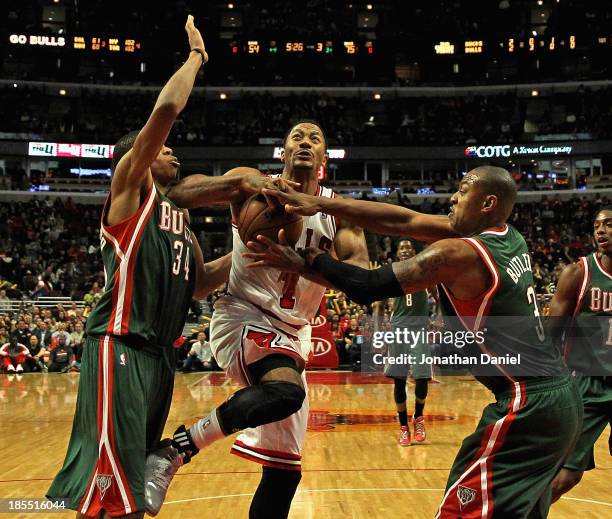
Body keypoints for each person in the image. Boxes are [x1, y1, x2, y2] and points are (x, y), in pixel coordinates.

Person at [250, 165, 582, 518]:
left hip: (528, 403)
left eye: (463, 190)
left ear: (487, 203)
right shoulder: (508, 234)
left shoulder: (458, 254)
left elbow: (369, 285)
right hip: (560, 399)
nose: (453, 197)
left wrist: (309, 259)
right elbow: (403, 221)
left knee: (459, 512)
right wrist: (320, 203)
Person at [46, 17, 270, 519]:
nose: (173, 150)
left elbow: (198, 285)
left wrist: (254, 248)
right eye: (162, 147)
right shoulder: (129, 193)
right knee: (109, 485)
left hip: (159, 359)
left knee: (137, 481)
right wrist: (196, 57)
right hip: (119, 345)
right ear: (139, 158)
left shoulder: (181, 222)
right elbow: (166, 110)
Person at [145, 120, 369, 519]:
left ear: (323, 159)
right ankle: (176, 449)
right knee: (286, 393)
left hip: (294, 333)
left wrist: (303, 264)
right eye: (296, 138)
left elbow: (362, 273)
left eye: (314, 138)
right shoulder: (252, 183)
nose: (305, 142)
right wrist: (239, 188)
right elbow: (179, 194)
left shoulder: (337, 212)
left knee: (284, 473)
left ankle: (178, 449)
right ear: (282, 153)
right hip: (244, 315)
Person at [549, 206, 612, 502]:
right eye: (597, 225)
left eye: (609, 224)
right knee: (566, 475)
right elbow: (550, 335)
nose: (601, 230)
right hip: (586, 383)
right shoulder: (578, 272)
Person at [373, 239, 432, 446]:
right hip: (398, 329)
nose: (405, 249)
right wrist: (378, 330)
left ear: (414, 252)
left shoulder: (425, 273)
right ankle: (403, 427)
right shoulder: (390, 274)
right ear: (398, 253)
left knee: (422, 377)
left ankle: (418, 417)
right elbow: (379, 305)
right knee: (398, 379)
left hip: (420, 330)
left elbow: (441, 295)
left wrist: (442, 317)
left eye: (408, 247)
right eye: (402, 247)